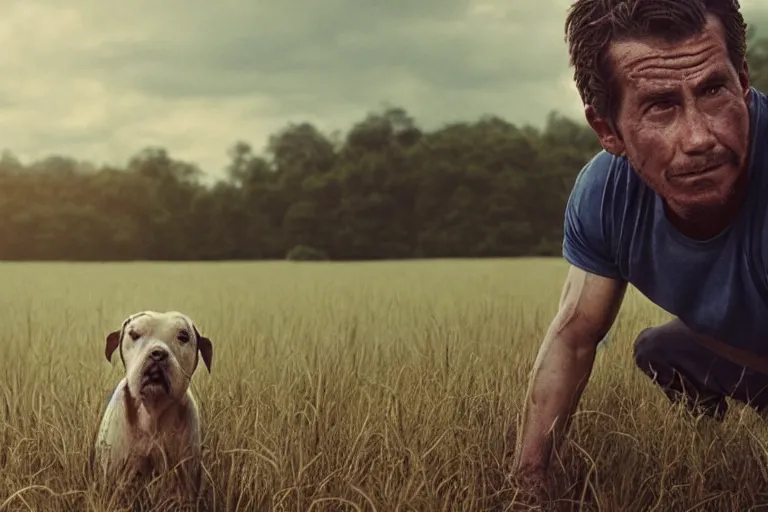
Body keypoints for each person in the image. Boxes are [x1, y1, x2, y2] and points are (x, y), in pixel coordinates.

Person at [510, 0, 768, 503]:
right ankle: (707, 440)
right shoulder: (605, 196)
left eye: (713, 90)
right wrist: (528, 484)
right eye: (660, 105)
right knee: (660, 349)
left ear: (742, 81)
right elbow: (574, 338)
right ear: (608, 130)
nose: (698, 138)